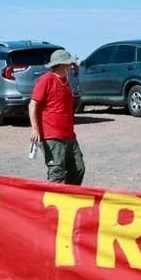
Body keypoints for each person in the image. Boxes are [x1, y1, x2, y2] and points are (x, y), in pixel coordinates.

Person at [29, 49, 85, 185]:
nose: (71, 66)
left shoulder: (65, 81)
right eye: (69, 64)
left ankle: (69, 199)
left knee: (78, 168)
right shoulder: (46, 79)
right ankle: (50, 204)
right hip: (52, 135)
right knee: (57, 173)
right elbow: (32, 105)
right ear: (62, 64)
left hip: (68, 134)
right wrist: (35, 129)